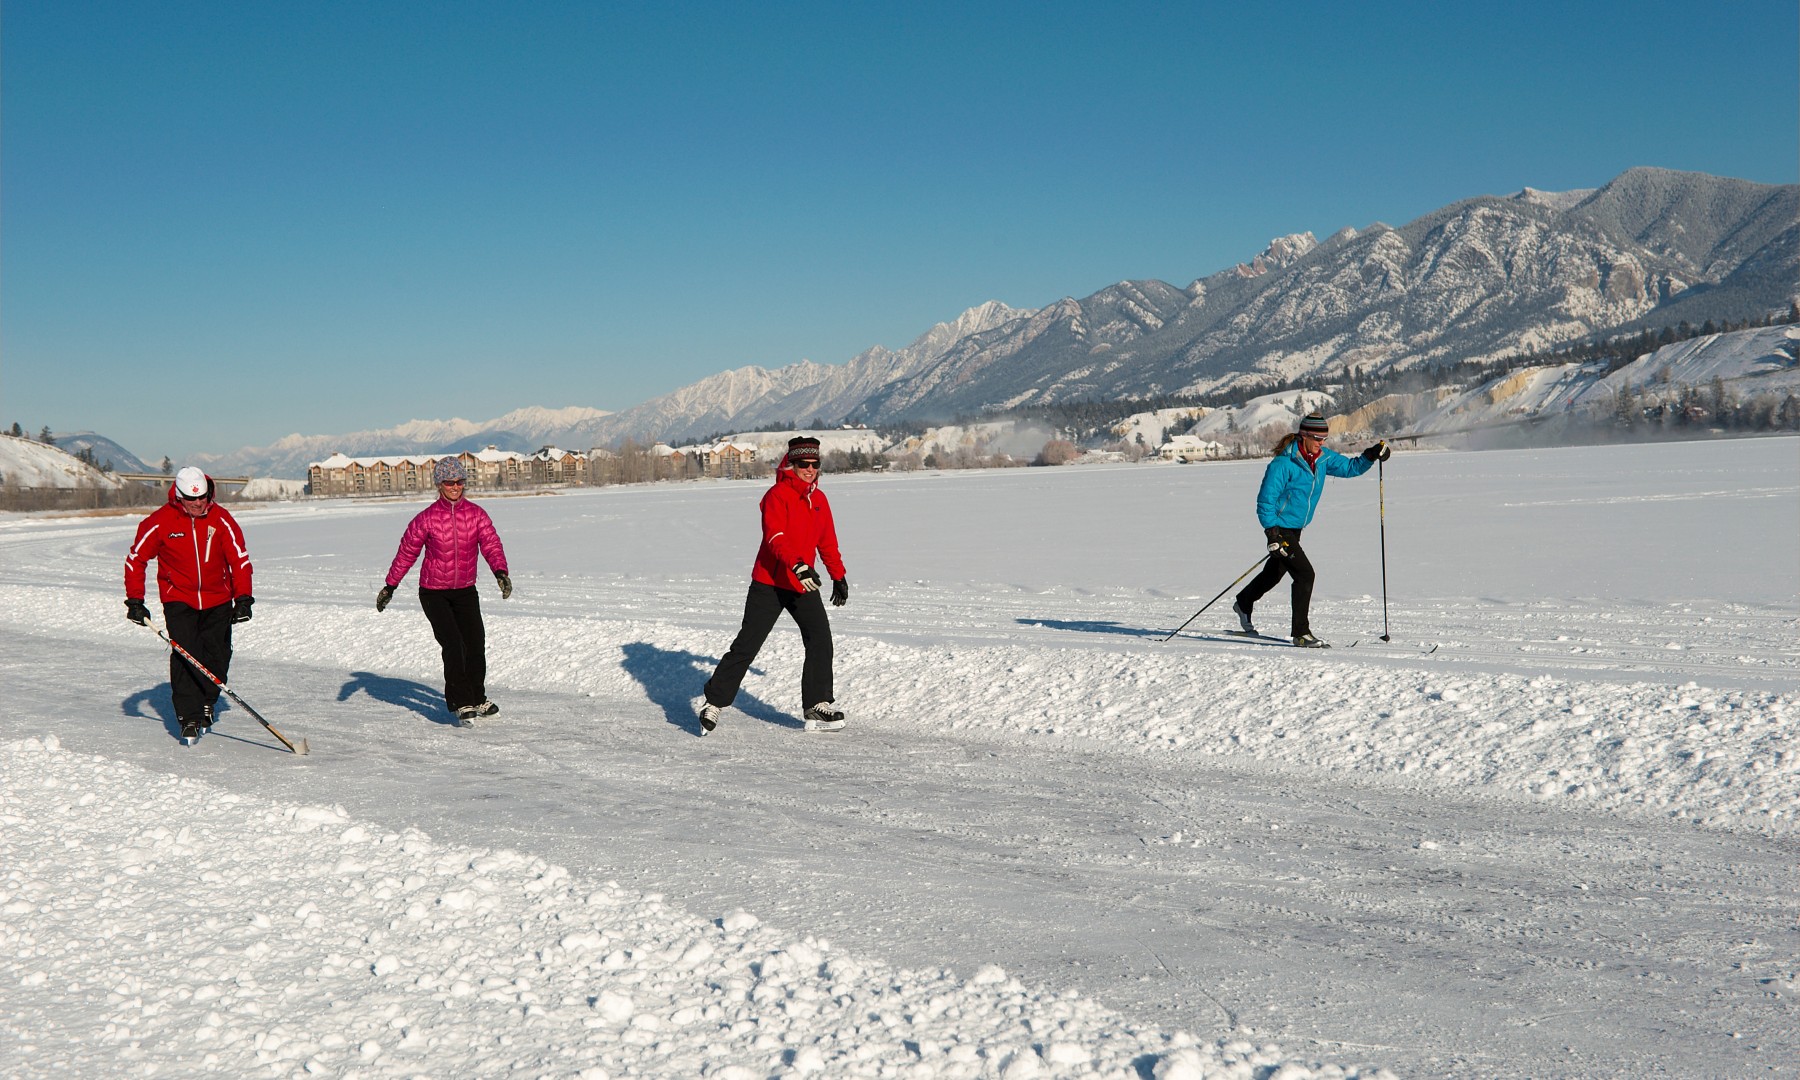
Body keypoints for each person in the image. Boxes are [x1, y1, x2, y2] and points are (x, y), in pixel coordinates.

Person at [698, 436, 849, 734]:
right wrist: (798, 564)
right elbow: (775, 537)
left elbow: (827, 541)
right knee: (747, 644)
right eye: (803, 464)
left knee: (820, 639)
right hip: (769, 582)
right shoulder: (776, 495)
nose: (809, 469)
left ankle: (816, 705)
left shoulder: (819, 500)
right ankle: (713, 702)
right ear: (791, 464)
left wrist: (838, 574)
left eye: (815, 464)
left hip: (802, 582)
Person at [1233, 412, 1389, 648]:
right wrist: (1272, 534)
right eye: (1317, 438)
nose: (1321, 443)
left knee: (1273, 574)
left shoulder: (1323, 458)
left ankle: (1244, 602)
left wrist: (1370, 455)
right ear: (1304, 435)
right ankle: (1301, 633)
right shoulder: (1282, 464)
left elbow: (1350, 468)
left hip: (1296, 528)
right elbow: (1265, 501)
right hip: (1280, 528)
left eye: (1324, 438)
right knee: (1305, 574)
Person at [124, 466, 255, 744]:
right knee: (186, 655)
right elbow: (136, 560)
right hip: (178, 599)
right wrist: (135, 600)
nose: (198, 504)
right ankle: (189, 716)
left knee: (217, 655)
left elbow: (239, 560)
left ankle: (208, 700)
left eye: (203, 498)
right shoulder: (160, 522)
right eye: (192, 499)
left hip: (218, 598)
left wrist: (243, 597)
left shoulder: (222, 519)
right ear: (179, 497)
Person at [376, 458, 512, 725]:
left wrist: (500, 572)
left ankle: (476, 697)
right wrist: (390, 586)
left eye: (460, 482)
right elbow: (406, 554)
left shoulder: (476, 515)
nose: (455, 487)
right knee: (453, 645)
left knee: (475, 644)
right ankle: (461, 703)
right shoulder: (426, 519)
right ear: (440, 484)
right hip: (433, 592)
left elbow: (491, 544)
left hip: (465, 591)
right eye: (450, 482)